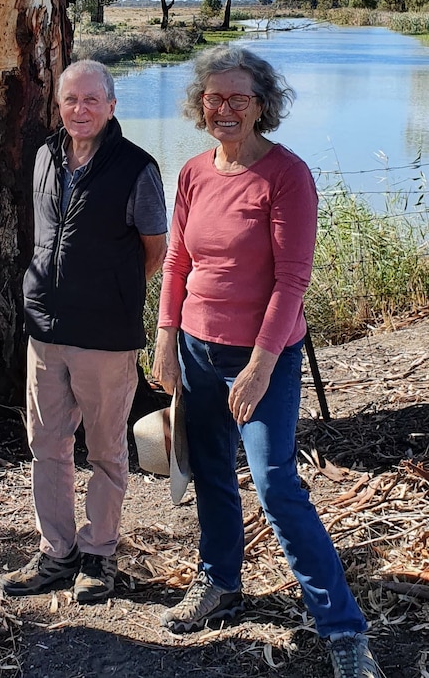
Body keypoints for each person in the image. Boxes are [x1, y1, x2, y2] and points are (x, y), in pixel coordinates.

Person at [152, 46, 382, 678]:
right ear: (201, 104)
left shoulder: (287, 176)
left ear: (262, 106)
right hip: (196, 348)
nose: (225, 109)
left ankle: (342, 629)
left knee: (277, 482)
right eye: (214, 98)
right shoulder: (195, 171)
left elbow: (292, 281)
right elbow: (177, 263)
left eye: (239, 99)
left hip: (265, 357)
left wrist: (258, 367)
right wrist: (165, 336)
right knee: (211, 471)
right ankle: (221, 583)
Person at [1, 60, 168, 604]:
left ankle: (98, 554)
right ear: (60, 105)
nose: (80, 110)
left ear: (112, 105)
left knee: (105, 449)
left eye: (92, 100)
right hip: (45, 328)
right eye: (71, 100)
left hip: (105, 336)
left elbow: (155, 251)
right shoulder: (46, 156)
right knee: (47, 445)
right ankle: (57, 553)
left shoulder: (136, 168)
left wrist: (108, 292)